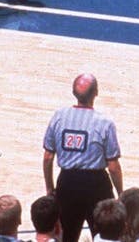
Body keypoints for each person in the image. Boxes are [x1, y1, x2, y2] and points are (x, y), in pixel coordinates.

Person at [43, 73, 123, 242]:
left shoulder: (59, 116)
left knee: (67, 237)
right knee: (105, 235)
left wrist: (50, 189)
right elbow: (113, 167)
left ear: (74, 92)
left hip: (67, 183)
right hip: (96, 185)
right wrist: (121, 193)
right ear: (96, 92)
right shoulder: (104, 122)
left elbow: (48, 157)